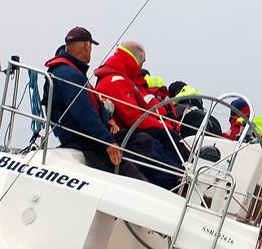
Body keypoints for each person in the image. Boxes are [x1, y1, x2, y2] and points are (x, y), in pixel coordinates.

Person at [43, 27, 155, 182]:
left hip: (89, 136)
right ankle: (124, 170)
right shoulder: (69, 75)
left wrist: (108, 120)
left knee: (142, 140)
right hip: (84, 140)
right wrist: (108, 142)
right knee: (134, 175)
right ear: (87, 46)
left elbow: (90, 106)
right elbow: (85, 114)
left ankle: (124, 163)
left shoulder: (69, 71)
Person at [94, 42, 182, 189]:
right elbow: (132, 116)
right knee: (159, 137)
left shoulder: (120, 79)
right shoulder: (116, 81)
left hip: (127, 129)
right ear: (136, 61)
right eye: (142, 63)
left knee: (164, 137)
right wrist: (163, 126)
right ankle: (178, 176)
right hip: (122, 132)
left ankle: (181, 171)